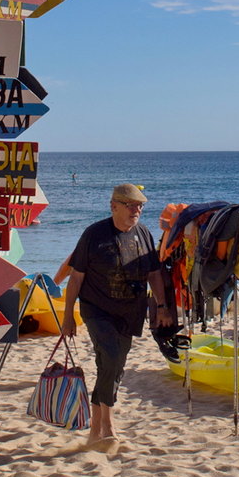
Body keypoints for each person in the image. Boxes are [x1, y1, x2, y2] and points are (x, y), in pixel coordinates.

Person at [61, 184, 175, 444]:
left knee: (113, 366)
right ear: (114, 206)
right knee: (111, 358)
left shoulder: (143, 234)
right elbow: (76, 278)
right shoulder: (94, 234)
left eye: (140, 206)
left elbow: (154, 274)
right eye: (131, 205)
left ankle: (95, 429)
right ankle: (108, 426)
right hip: (97, 309)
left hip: (131, 312)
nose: (137, 210)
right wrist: (68, 317)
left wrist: (162, 306)